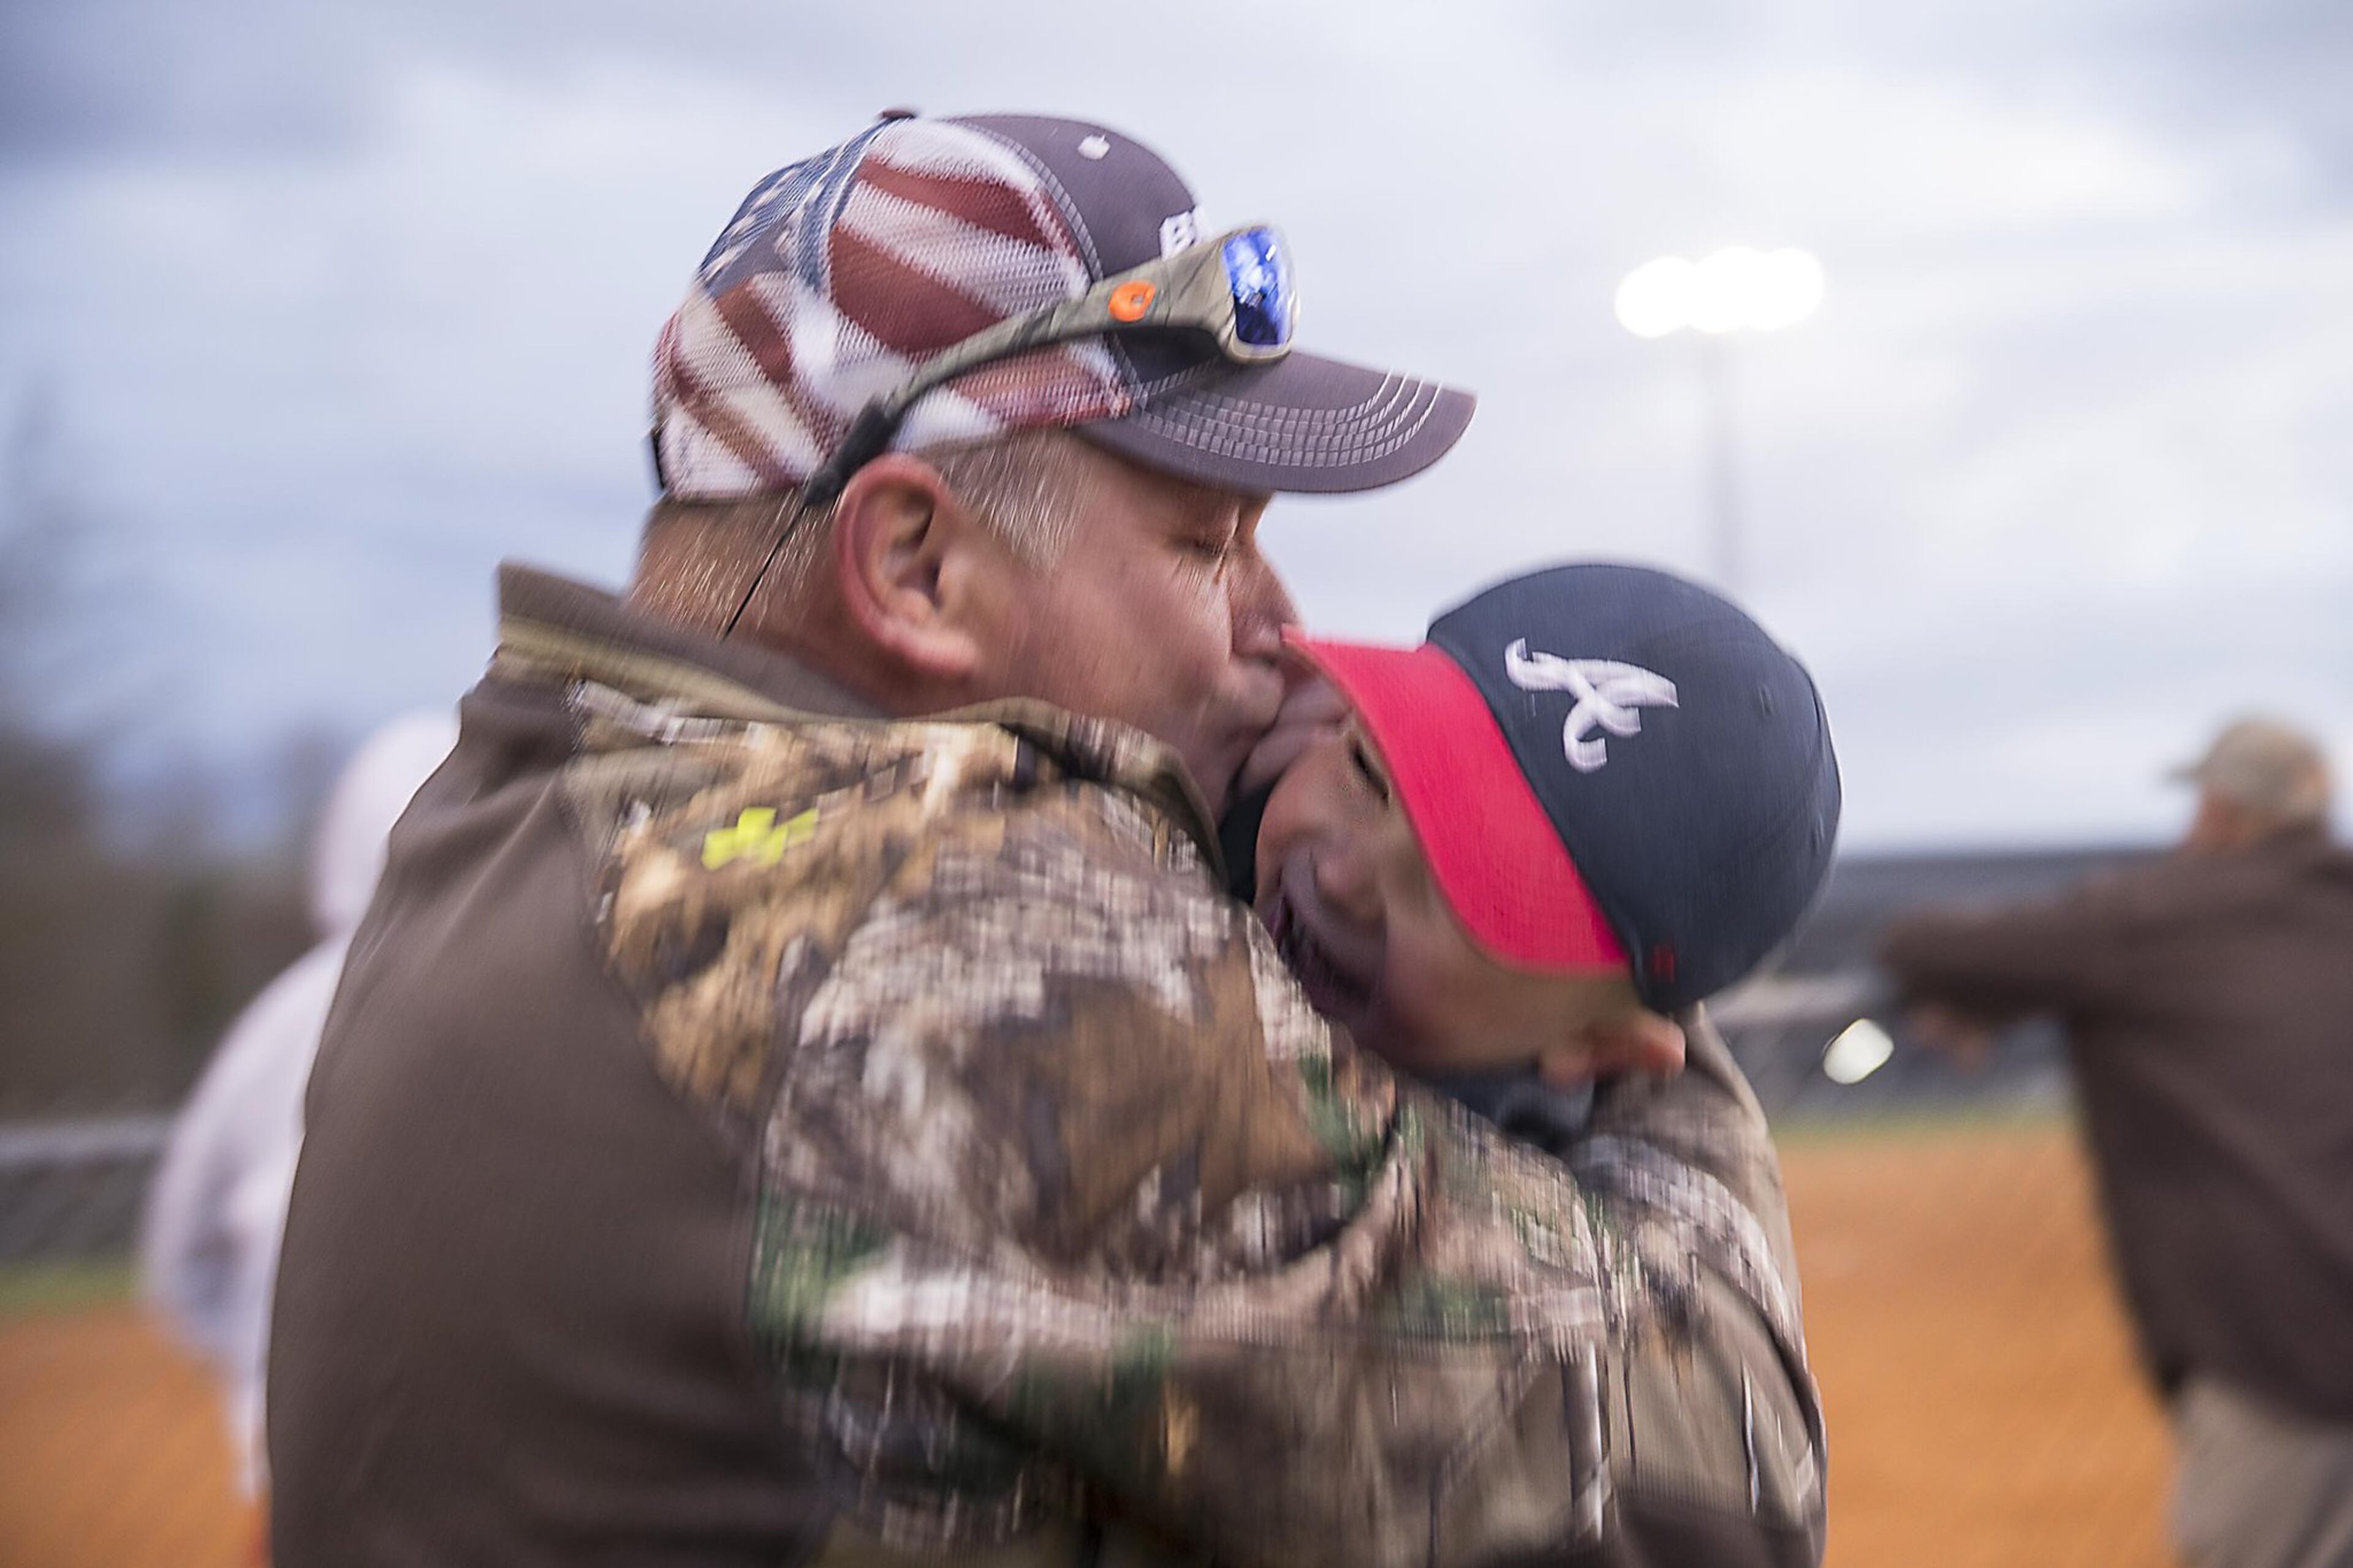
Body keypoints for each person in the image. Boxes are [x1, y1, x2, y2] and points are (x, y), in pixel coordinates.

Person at [270, 111, 1825, 1567]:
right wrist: (1621, 1008)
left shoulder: (518, 803)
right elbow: (1712, 1460)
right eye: (1202, 544)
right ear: (916, 565)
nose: (1278, 635)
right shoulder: (952, 918)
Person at [1880, 717, 2353, 1568]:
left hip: (2287, 1348)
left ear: (2221, 811)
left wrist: (1986, 999)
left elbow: (1927, 949)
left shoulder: (2159, 914)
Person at [1252, 563, 1840, 1152]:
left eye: (1462, 890)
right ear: (1329, 718)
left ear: (1598, 1045)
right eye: (1365, 770)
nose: (1338, 879)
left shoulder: (1474, 1222)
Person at [142, 713, 456, 1496]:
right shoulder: (548, 996)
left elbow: (182, 1257)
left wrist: (259, 1371)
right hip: (490, 1488)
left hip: (305, 1483)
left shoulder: (278, 1022)